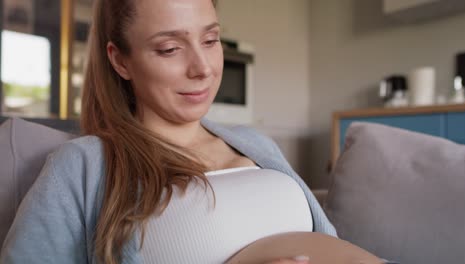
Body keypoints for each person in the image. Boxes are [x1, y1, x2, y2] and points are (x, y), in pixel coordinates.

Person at [0, 0, 337, 263]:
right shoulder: (81, 166)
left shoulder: (257, 144)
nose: (203, 68)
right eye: (170, 49)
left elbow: (335, 243)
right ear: (120, 61)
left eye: (210, 40)